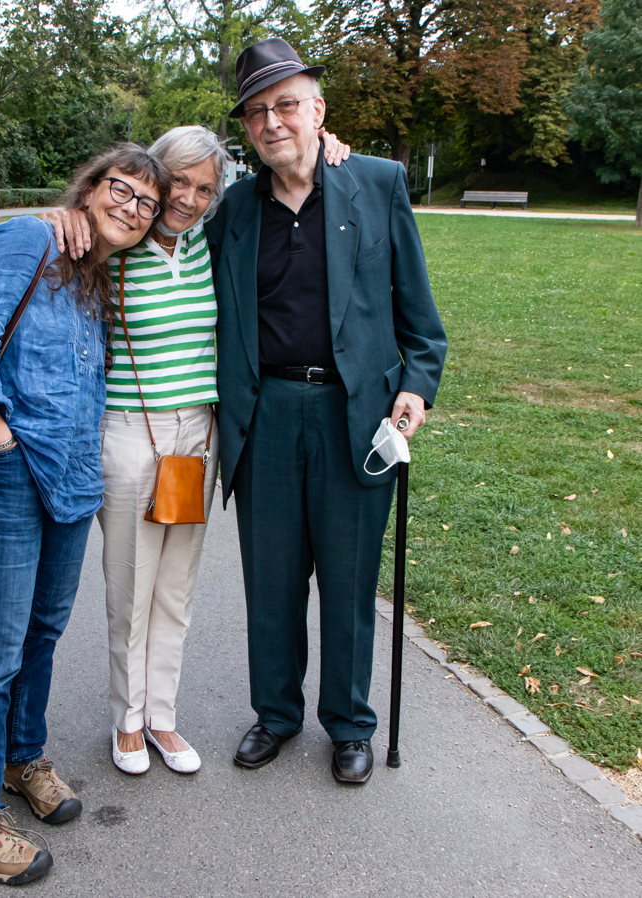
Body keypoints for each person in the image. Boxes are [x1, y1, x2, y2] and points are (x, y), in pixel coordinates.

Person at [44, 126, 349, 776]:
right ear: (156, 177)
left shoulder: (214, 245)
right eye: (177, 181)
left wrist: (324, 146)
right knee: (133, 585)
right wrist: (65, 214)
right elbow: (74, 228)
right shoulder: (116, 245)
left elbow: (284, 184)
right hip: (130, 434)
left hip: (197, 440)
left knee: (176, 591)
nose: (187, 198)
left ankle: (162, 717)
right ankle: (126, 721)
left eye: (203, 187)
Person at [205, 38, 447, 784]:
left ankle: (349, 724)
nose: (271, 121)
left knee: (347, 581)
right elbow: (154, 231)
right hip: (266, 411)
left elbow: (420, 316)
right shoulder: (233, 210)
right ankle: (276, 715)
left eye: (286, 105)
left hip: (355, 413)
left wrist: (418, 383)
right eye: (257, 112)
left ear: (317, 110)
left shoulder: (377, 184)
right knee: (271, 580)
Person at [0, 143, 169, 885]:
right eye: (121, 190)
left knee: (43, 632)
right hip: (8, 476)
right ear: (90, 188)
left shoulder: (97, 272)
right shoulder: (29, 237)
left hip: (72, 479)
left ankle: (20, 758)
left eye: (146, 204)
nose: (131, 209)